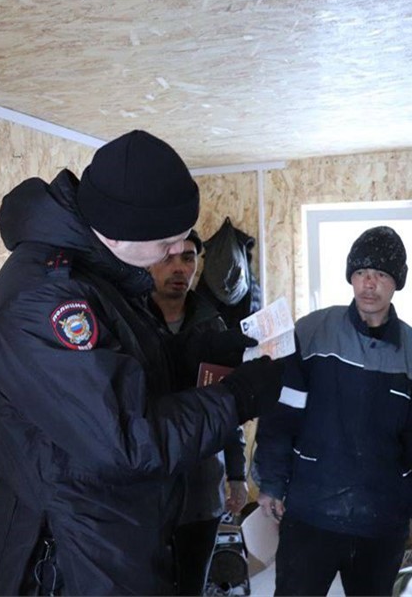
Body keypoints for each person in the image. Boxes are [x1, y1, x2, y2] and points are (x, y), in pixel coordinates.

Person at [0, 129, 285, 596]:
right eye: (167, 242)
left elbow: (126, 373)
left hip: (114, 537)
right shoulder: (45, 299)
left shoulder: (99, 272)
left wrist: (207, 355)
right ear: (121, 233)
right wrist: (238, 397)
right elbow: (127, 438)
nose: (176, 253)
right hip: (71, 561)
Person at [253, 226, 412, 596]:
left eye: (381, 274)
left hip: (381, 523)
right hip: (311, 514)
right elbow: (280, 416)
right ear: (351, 277)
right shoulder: (311, 334)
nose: (369, 284)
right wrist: (271, 482)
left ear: (397, 282)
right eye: (361, 272)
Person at [147, 230, 249, 595]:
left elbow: (228, 406)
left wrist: (236, 475)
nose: (179, 268)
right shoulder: (130, 321)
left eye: (188, 258)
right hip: (147, 488)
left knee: (192, 586)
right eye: (168, 258)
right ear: (149, 263)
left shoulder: (212, 326)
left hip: (201, 489)